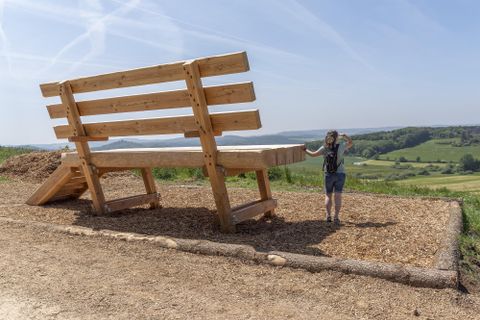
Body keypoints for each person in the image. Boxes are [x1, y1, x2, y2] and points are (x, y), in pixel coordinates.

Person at [303, 130, 353, 225]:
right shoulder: (341, 146)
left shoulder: (324, 148)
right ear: (336, 137)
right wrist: (345, 135)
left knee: (328, 196)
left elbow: (312, 154)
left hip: (328, 174)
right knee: (338, 196)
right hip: (340, 173)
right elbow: (351, 143)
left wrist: (304, 149)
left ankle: (328, 216)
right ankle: (337, 217)